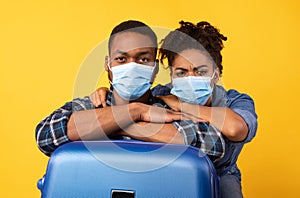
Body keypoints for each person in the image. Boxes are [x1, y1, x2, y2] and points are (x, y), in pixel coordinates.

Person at [91, 21, 258, 198]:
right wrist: (106, 91)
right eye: (181, 72)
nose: (190, 78)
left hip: (220, 173)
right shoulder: (162, 94)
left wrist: (183, 106)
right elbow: (132, 106)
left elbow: (236, 129)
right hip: (175, 168)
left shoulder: (235, 101)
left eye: (200, 71)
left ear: (215, 74)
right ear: (171, 74)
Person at [35, 20, 225, 163]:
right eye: (121, 59)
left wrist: (105, 125)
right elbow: (46, 134)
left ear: (155, 69)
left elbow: (214, 144)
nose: (132, 66)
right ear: (108, 65)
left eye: (143, 60)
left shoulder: (169, 109)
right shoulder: (91, 104)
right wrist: (136, 112)